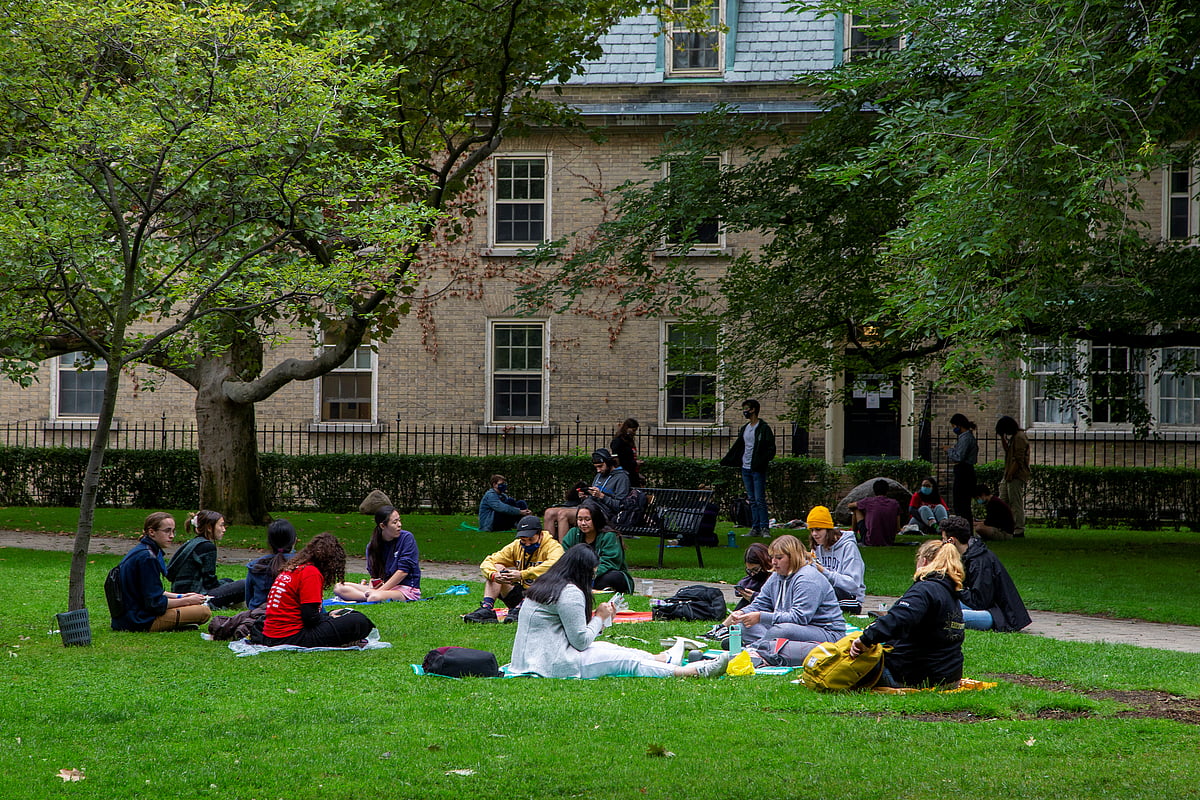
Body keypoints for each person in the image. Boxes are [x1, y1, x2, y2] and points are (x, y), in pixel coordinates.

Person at [508, 544, 733, 679]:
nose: (593, 579)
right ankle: (694, 671)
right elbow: (580, 642)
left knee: (609, 648)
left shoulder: (547, 584)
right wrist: (600, 617)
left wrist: (599, 618)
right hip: (555, 664)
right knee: (623, 660)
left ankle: (663, 658)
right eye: (592, 574)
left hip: (531, 659)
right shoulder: (569, 592)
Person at [848, 539, 966, 688]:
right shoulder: (950, 589)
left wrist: (865, 639)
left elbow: (899, 619)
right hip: (950, 676)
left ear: (923, 561)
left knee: (846, 660)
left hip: (916, 676)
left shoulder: (924, 590)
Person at [717, 534, 845, 655]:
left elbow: (799, 618)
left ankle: (756, 648)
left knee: (783, 630)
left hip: (825, 632)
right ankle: (767, 646)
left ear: (793, 557)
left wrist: (761, 617)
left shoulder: (807, 578)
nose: (773, 562)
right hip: (789, 628)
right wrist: (742, 614)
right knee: (745, 625)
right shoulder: (776, 576)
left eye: (779, 558)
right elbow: (760, 603)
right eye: (772, 557)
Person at [257, 532, 375, 648]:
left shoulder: (294, 568)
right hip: (291, 636)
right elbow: (310, 619)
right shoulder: (311, 573)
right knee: (359, 621)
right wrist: (330, 618)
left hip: (273, 634)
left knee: (346, 613)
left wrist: (329, 615)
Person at [111, 512, 212, 632]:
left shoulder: (143, 551)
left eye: (173, 531)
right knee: (203, 611)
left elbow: (152, 591)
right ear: (151, 532)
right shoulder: (147, 558)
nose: (171, 536)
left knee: (194, 606)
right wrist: (188, 601)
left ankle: (181, 623)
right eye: (167, 531)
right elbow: (155, 603)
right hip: (139, 620)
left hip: (127, 617)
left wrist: (182, 596)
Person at [462, 515, 565, 624]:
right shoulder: (516, 546)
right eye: (523, 540)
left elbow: (554, 565)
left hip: (542, 597)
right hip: (521, 593)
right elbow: (488, 561)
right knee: (497, 567)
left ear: (540, 534)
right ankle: (486, 608)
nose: (527, 544)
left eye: (531, 539)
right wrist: (494, 575)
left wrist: (522, 574)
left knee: (547, 578)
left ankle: (520, 609)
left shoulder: (553, 547)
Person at [940, 516, 1031, 632]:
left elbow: (979, 602)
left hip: (998, 614)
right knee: (941, 606)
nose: (942, 544)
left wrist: (957, 589)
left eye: (944, 539)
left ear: (952, 540)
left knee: (947, 615)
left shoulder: (979, 562)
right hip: (988, 608)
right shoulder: (970, 555)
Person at [335, 506, 422, 602]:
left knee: (375, 597)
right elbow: (374, 575)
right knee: (339, 587)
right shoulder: (373, 546)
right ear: (382, 526)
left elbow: (403, 572)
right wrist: (374, 586)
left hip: (404, 589)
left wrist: (378, 591)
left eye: (399, 521)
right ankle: (366, 596)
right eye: (394, 522)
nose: (399, 525)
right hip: (382, 588)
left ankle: (361, 596)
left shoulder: (406, 538)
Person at [543, 449, 632, 540]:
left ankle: (564, 552)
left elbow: (620, 505)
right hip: (587, 506)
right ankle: (548, 549)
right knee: (549, 512)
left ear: (609, 463)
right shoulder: (599, 476)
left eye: (600, 466)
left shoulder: (622, 477)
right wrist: (585, 496)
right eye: (596, 467)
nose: (598, 470)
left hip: (602, 512)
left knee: (563, 514)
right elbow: (593, 497)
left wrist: (601, 496)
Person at [166, 510, 246, 609]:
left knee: (228, 581)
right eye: (221, 525)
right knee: (244, 584)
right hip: (196, 595)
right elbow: (210, 583)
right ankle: (208, 604)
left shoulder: (193, 542)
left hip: (181, 592)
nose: (224, 529)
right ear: (209, 527)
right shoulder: (207, 547)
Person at [720, 398, 776, 537]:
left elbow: (770, 449)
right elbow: (740, 446)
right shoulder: (745, 428)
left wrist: (761, 461)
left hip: (757, 468)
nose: (745, 411)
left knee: (759, 499)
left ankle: (764, 528)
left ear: (754, 410)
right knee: (751, 499)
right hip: (745, 467)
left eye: (747, 408)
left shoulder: (763, 428)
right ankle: (755, 527)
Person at [560, 501, 633, 593]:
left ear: (596, 519)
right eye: (580, 519)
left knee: (614, 577)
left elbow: (610, 562)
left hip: (600, 574)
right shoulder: (573, 533)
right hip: (576, 574)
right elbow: (564, 555)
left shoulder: (609, 536)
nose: (583, 523)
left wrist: (589, 573)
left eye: (587, 519)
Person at [806, 505, 866, 614]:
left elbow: (853, 584)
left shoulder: (848, 547)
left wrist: (823, 571)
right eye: (812, 530)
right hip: (826, 593)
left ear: (828, 529)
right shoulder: (817, 547)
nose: (814, 534)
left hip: (850, 598)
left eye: (818, 529)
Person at [245, 519, 297, 610]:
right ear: (294, 541)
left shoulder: (256, 566)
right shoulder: (303, 566)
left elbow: (249, 598)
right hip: (290, 617)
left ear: (269, 543)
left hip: (258, 617)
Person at [996, 415, 1031, 537]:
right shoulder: (1014, 437)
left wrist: (1011, 474)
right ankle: (1004, 525)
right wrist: (1002, 438)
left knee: (1015, 502)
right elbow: (1009, 451)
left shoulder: (1019, 437)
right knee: (1003, 500)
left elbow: (1018, 458)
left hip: (1016, 475)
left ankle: (1019, 528)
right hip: (1008, 474)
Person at [944, 413, 978, 520]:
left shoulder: (965, 438)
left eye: (954, 427)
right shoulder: (966, 437)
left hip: (964, 472)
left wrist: (949, 450)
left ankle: (964, 528)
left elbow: (959, 457)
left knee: (961, 504)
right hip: (965, 471)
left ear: (959, 425)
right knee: (962, 504)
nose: (954, 429)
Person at [848, 479, 902, 546]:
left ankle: (853, 535)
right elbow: (898, 528)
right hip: (889, 540)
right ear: (887, 491)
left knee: (856, 509)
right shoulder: (895, 503)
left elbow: (850, 505)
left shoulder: (868, 501)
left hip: (870, 540)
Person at [732, 542, 771, 611]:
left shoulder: (776, 578)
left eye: (755, 569)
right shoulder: (757, 577)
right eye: (749, 571)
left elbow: (775, 602)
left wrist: (755, 597)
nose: (753, 574)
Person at [609, 417, 643, 487]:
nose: (634, 433)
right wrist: (635, 463)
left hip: (632, 473)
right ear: (627, 428)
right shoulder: (618, 442)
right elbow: (618, 460)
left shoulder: (629, 441)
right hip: (625, 474)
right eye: (633, 430)